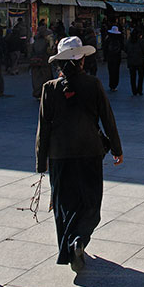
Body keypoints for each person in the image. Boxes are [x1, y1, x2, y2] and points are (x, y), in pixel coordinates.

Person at [35, 36, 123, 272]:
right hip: (89, 152)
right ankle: (78, 240)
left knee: (64, 204)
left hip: (59, 156)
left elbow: (43, 127)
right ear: (82, 60)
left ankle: (69, 246)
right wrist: (116, 148)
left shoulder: (49, 88)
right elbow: (107, 117)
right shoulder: (93, 84)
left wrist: (41, 161)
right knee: (91, 202)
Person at [124, 26, 144, 95]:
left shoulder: (129, 41)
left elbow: (125, 49)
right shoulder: (141, 41)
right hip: (140, 61)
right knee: (140, 77)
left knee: (132, 77)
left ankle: (134, 90)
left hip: (131, 61)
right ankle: (139, 90)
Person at [29, 30, 53, 99]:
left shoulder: (35, 41)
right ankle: (44, 93)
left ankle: (37, 93)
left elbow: (31, 51)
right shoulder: (46, 42)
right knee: (45, 78)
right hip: (44, 62)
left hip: (35, 63)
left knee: (36, 79)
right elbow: (50, 52)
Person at [103, 25, 124, 91]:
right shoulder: (119, 39)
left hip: (110, 57)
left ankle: (111, 85)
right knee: (116, 72)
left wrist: (105, 57)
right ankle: (114, 85)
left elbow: (105, 48)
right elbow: (122, 47)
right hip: (117, 58)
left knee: (111, 72)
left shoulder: (108, 39)